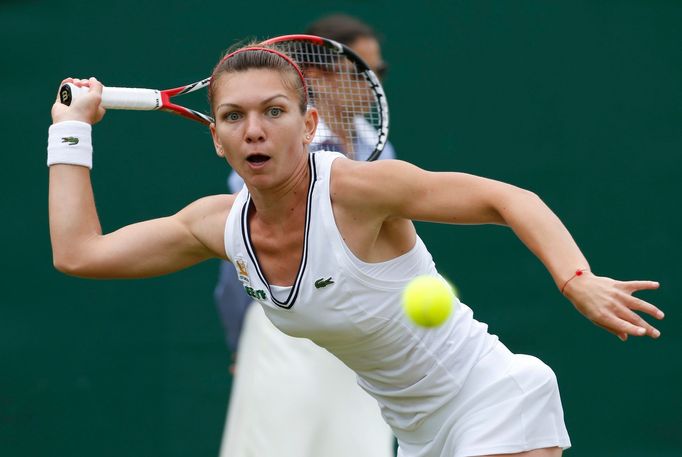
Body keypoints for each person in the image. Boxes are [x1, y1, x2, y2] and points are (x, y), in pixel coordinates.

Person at [48, 43, 664, 457]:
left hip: (494, 399)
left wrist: (575, 277)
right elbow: (80, 253)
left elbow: (508, 198)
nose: (254, 129)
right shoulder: (217, 225)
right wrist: (69, 132)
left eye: (274, 111)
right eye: (233, 116)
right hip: (416, 435)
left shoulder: (357, 190)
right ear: (216, 139)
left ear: (309, 124)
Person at [214, 14, 397, 457]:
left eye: (381, 72)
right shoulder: (273, 154)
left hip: (360, 337)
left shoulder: (378, 147)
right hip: (287, 332)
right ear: (317, 75)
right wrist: (244, 338)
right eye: (363, 73)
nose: (375, 84)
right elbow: (242, 255)